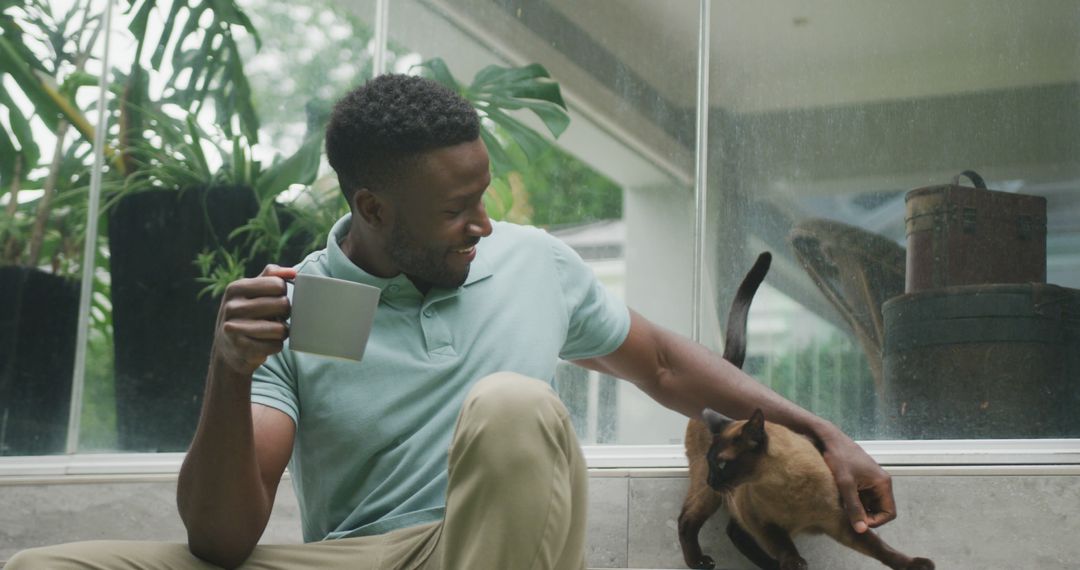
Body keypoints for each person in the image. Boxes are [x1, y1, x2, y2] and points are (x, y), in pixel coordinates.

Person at [7, 74, 896, 570]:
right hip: (364, 558)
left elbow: (665, 368)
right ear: (374, 207)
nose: (483, 222)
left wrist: (823, 433)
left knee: (512, 401)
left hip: (507, 548)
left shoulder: (531, 261)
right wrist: (230, 369)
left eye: (483, 197)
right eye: (456, 210)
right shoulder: (300, 305)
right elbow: (223, 539)